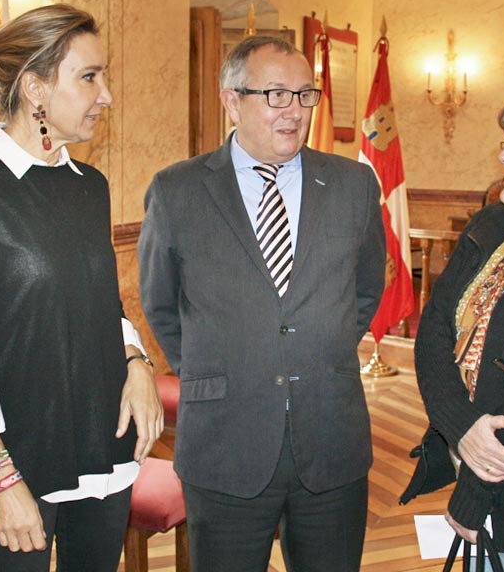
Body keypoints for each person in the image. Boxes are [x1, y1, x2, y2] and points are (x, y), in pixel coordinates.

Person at [0, 5, 163, 571]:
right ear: (34, 87)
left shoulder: (89, 186)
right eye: (89, 77)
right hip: (13, 460)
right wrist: (0, 479)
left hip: (105, 444)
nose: (105, 95)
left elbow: (101, 302)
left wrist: (138, 363)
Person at [138, 35, 385, 571]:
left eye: (304, 95)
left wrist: (315, 352)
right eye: (276, 95)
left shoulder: (353, 185)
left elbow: (365, 289)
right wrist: (220, 368)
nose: (294, 111)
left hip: (331, 437)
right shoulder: (177, 191)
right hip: (226, 440)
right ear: (232, 99)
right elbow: (160, 304)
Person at [412, 98, 504, 572]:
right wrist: (461, 428)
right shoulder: (492, 223)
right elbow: (435, 330)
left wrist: (476, 488)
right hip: (468, 455)